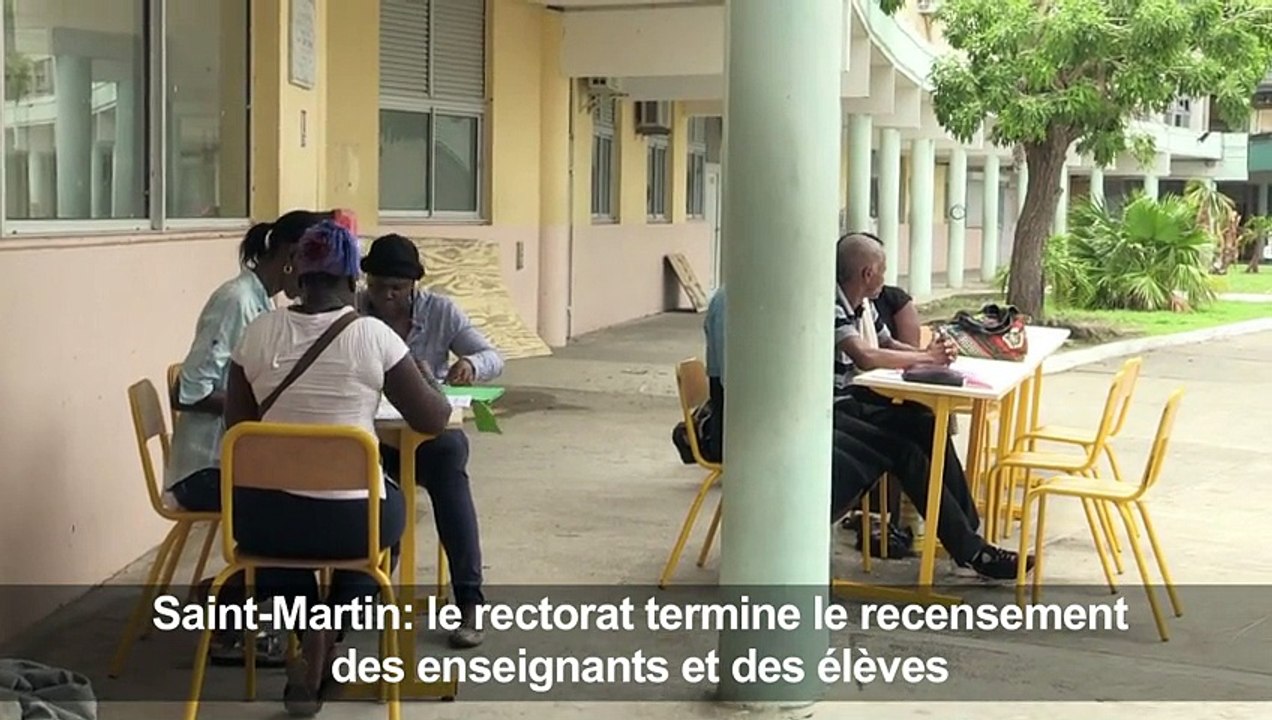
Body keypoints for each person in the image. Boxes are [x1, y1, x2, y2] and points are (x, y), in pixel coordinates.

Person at [225, 220, 453, 716]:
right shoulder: (373, 336)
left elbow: (237, 431)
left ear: (297, 275)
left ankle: (308, 628)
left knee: (278, 537)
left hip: (265, 521)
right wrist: (425, 376)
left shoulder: (257, 332)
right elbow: (432, 420)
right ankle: (333, 630)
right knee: (390, 520)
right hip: (350, 523)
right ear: (353, 280)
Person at [164, 209, 331, 667]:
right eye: (312, 265)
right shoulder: (237, 300)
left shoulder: (264, 303)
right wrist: (262, 407)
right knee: (290, 510)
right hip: (205, 469)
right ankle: (260, 620)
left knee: (312, 500)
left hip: (240, 461)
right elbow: (190, 390)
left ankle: (242, 604)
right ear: (290, 256)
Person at [830, 233, 1031, 580]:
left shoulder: (863, 305)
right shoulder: (831, 305)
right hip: (837, 407)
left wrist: (931, 355)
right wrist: (925, 357)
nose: (885, 277)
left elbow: (888, 343)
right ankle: (972, 551)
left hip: (855, 399)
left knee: (927, 422)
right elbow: (865, 356)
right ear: (867, 273)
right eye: (883, 269)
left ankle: (967, 537)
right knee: (905, 450)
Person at [355, 233, 499, 649]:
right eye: (377, 286)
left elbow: (494, 356)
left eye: (396, 288)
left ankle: (469, 600)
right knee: (359, 480)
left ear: (414, 285)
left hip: (426, 435)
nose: (385, 297)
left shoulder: (440, 311)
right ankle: (365, 589)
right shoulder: (354, 312)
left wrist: (470, 364)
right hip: (373, 437)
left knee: (451, 465)